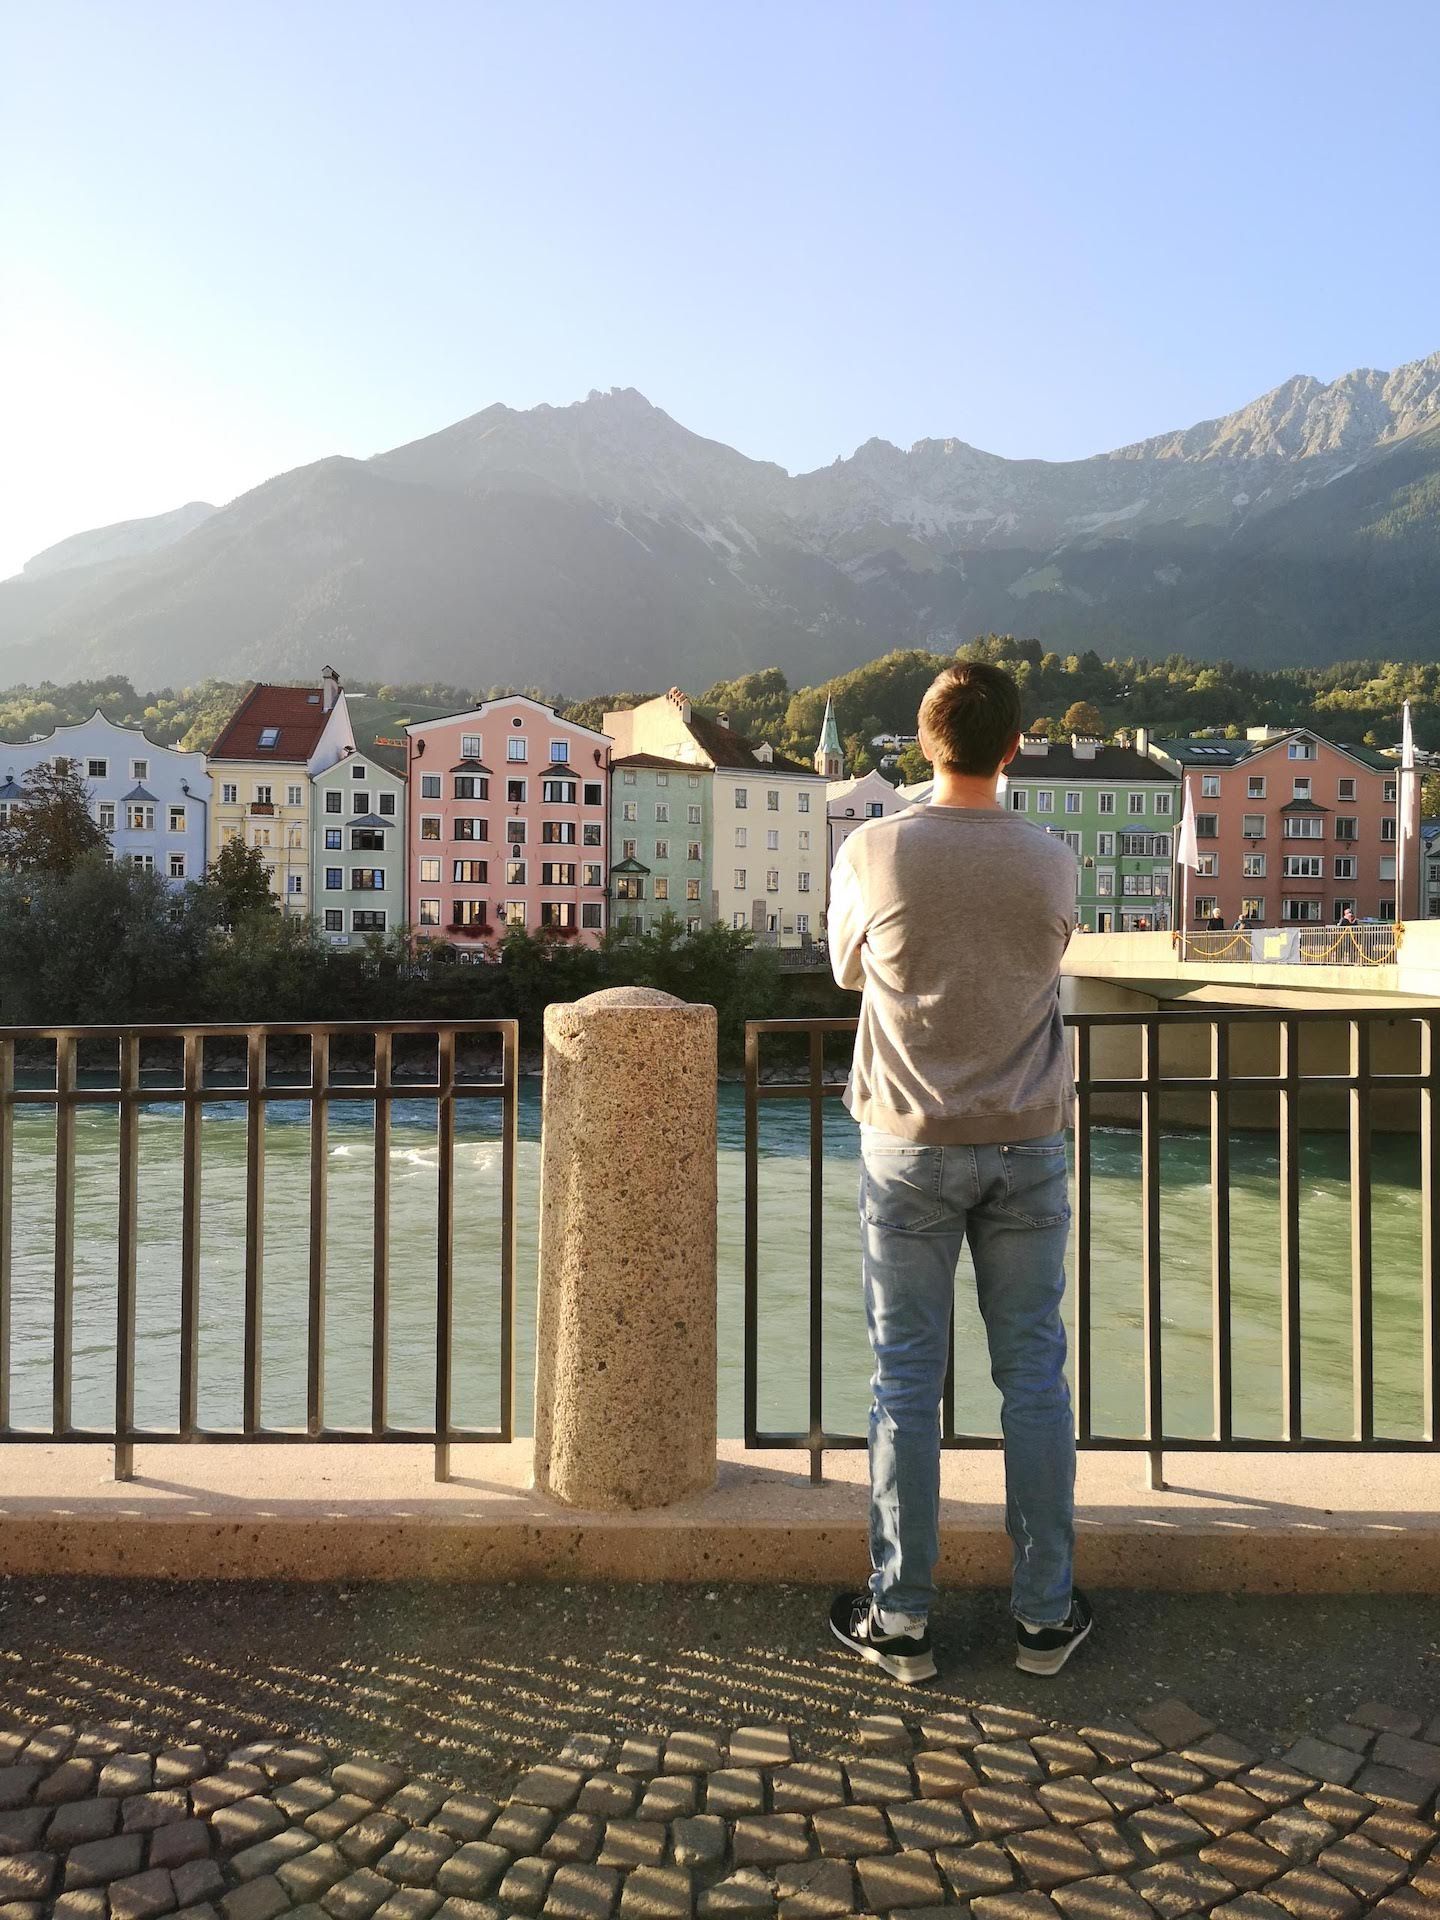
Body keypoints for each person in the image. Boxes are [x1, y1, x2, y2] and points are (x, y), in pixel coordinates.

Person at [825, 661, 1091, 1686]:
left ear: (926, 744)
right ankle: (1043, 1618)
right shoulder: (1053, 860)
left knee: (903, 1381)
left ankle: (904, 1621)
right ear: (1014, 747)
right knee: (1033, 1375)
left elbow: (850, 966)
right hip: (1028, 1141)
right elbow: (1047, 959)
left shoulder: (873, 847)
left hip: (909, 1146)